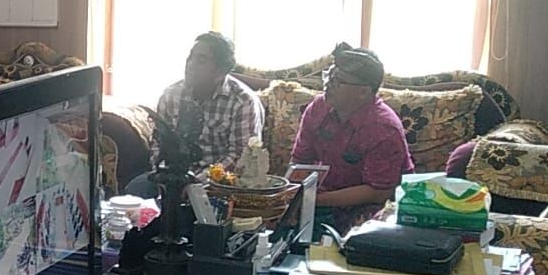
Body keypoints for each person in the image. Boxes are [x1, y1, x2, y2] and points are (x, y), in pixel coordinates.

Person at [290, 43, 414, 231]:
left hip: (371, 206)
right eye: (328, 75)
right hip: (322, 199)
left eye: (337, 80)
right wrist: (294, 198)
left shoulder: (383, 128)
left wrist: (313, 200)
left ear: (363, 92)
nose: (327, 84)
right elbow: (300, 161)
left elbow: (379, 192)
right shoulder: (318, 108)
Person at [125, 32, 263, 197]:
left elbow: (240, 157)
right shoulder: (171, 94)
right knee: (134, 191)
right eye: (190, 57)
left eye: (201, 60)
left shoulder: (242, 102)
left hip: (218, 184)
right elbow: (158, 143)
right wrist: (162, 174)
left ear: (221, 70)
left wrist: (197, 182)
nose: (190, 64)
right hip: (173, 176)